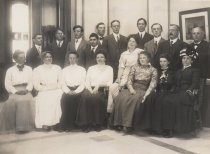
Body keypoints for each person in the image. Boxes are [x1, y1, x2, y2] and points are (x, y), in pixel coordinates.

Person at [113, 51, 157, 134]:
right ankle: (119, 123)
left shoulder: (153, 69)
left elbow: (153, 84)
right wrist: (131, 89)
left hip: (144, 89)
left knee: (134, 99)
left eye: (144, 58)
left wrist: (146, 94)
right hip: (133, 88)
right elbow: (129, 80)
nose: (142, 59)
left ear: (148, 59)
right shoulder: (134, 67)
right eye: (140, 58)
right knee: (121, 97)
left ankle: (128, 125)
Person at [76, 51, 113, 132]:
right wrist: (90, 90)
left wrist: (98, 86)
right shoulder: (91, 68)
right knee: (85, 97)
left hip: (102, 89)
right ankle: (85, 124)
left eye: (102, 57)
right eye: (98, 57)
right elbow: (87, 81)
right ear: (96, 59)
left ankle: (97, 124)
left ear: (105, 58)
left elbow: (110, 82)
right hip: (90, 88)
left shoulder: (109, 68)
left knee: (96, 98)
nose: (100, 59)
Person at [0, 50, 34, 133]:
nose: (23, 59)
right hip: (15, 91)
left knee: (27, 100)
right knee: (14, 101)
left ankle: (25, 126)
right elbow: (7, 84)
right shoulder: (10, 70)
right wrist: (15, 91)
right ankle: (16, 126)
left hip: (26, 90)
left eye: (24, 57)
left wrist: (27, 89)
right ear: (15, 59)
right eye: (21, 57)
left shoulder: (29, 69)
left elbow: (31, 81)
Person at [107, 35, 143, 113]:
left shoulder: (140, 52)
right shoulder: (124, 54)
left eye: (134, 41)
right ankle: (113, 110)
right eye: (130, 41)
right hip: (125, 74)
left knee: (127, 89)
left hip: (137, 75)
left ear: (136, 43)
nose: (131, 43)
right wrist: (119, 78)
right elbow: (121, 67)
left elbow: (145, 64)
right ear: (127, 43)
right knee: (113, 87)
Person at [173, 48, 200, 134]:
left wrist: (189, 90)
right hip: (178, 91)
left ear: (191, 61)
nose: (185, 60)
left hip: (188, 92)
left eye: (188, 58)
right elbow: (175, 83)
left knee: (181, 100)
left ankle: (185, 128)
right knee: (169, 100)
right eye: (184, 58)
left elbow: (195, 83)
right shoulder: (178, 71)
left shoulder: (194, 70)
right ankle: (172, 127)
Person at [33, 52, 62, 131]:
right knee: (43, 98)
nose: (49, 58)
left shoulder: (57, 68)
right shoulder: (38, 69)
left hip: (56, 89)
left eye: (50, 57)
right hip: (44, 89)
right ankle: (45, 123)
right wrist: (45, 88)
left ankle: (56, 122)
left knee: (57, 98)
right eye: (46, 57)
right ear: (43, 59)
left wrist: (55, 87)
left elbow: (61, 81)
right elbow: (36, 84)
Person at [60, 52, 86, 131]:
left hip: (78, 90)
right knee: (65, 100)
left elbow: (83, 83)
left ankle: (77, 124)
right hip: (68, 90)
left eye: (74, 58)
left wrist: (76, 91)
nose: (72, 60)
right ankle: (68, 125)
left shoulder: (82, 70)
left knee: (79, 100)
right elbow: (62, 83)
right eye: (70, 58)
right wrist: (68, 91)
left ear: (77, 59)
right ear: (68, 59)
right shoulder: (64, 70)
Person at [190, 27, 210, 126]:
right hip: (191, 78)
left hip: (203, 77)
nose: (196, 35)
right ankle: (192, 121)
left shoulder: (208, 46)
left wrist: (209, 77)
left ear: (203, 34)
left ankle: (202, 122)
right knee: (192, 97)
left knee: (202, 99)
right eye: (194, 33)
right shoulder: (189, 46)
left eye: (198, 33)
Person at [151, 54, 175, 136]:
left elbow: (172, 84)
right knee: (152, 100)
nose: (162, 63)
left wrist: (165, 79)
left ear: (168, 62)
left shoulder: (172, 72)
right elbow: (153, 83)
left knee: (166, 102)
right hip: (158, 91)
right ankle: (155, 128)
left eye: (164, 61)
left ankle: (167, 128)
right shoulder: (156, 71)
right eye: (161, 61)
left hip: (168, 92)